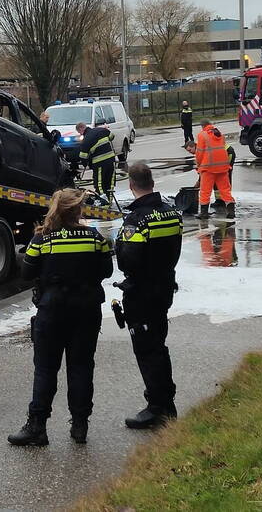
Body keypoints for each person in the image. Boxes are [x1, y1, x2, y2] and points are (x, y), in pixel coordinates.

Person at [7, 189, 114, 447]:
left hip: (52, 311)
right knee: (81, 367)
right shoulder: (94, 237)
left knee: (45, 369)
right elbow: (107, 271)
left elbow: (26, 272)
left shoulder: (43, 239)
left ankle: (37, 427)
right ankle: (80, 425)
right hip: (87, 311)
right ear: (78, 211)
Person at [115, 162, 183, 429]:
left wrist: (120, 244)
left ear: (132, 185)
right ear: (151, 182)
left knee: (148, 350)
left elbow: (127, 262)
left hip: (142, 293)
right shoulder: (172, 213)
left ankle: (158, 407)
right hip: (164, 287)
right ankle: (166, 402)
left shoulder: (136, 220)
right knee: (158, 344)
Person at [195, 119, 235, 219]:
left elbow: (199, 152)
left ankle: (204, 213)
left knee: (205, 190)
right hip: (223, 166)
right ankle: (231, 212)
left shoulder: (202, 135)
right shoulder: (218, 133)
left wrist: (199, 165)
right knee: (225, 190)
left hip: (208, 167)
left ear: (202, 126)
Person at [76, 121, 116, 204]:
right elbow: (112, 136)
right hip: (111, 160)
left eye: (79, 133)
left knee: (99, 184)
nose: (80, 135)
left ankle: (104, 203)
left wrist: (85, 164)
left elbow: (83, 156)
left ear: (81, 129)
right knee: (110, 182)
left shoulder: (86, 139)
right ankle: (110, 202)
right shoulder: (101, 130)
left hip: (99, 163)